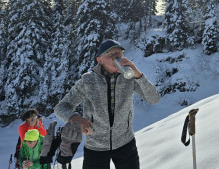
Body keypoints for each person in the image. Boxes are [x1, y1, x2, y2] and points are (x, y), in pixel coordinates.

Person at [54, 39, 161, 169]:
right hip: (95, 146)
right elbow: (61, 107)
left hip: (125, 143)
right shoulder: (88, 81)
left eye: (119, 54)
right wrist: (75, 118)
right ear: (100, 60)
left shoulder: (130, 77)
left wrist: (138, 75)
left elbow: (154, 99)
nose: (116, 57)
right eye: (111, 54)